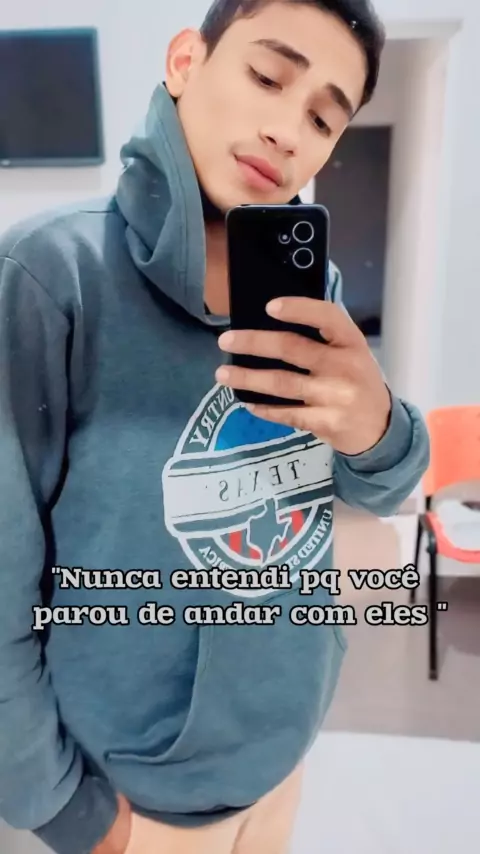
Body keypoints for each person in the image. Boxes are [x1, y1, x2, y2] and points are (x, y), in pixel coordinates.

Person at [0, 1, 430, 852]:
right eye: (268, 76)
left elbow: (377, 489)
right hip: (127, 795)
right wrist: (67, 810)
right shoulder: (51, 275)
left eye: (323, 118)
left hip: (279, 754)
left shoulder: (312, 292)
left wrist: (376, 424)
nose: (287, 131)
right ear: (185, 63)